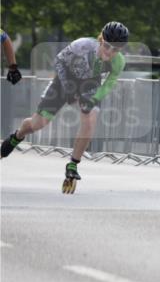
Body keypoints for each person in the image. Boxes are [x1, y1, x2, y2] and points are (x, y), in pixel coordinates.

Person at [0, 22, 129, 192]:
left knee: (90, 119)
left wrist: (94, 99)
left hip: (89, 85)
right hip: (63, 82)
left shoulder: (119, 61)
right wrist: (68, 88)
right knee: (38, 124)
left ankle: (73, 165)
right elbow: (59, 61)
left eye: (115, 49)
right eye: (107, 46)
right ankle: (17, 135)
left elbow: (109, 83)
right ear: (100, 39)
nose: (110, 52)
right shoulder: (82, 45)